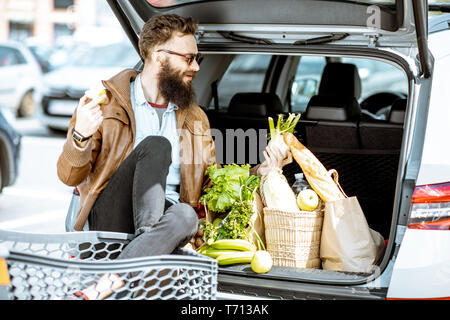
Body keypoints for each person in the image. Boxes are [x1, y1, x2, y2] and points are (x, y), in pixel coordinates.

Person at [57, 14, 290, 300]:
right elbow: (69, 176)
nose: (195, 66)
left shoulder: (195, 118)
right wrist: (80, 134)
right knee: (157, 147)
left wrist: (261, 172)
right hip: (111, 220)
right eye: (189, 58)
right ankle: (150, 249)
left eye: (197, 58)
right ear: (159, 56)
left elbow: (212, 187)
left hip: (168, 225)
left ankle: (110, 283)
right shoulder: (105, 104)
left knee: (185, 213)